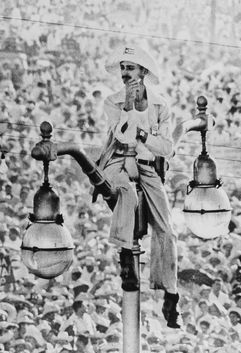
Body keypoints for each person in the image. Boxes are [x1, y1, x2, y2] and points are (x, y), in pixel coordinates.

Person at [98, 44, 180, 328]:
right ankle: (125, 255)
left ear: (143, 72)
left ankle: (169, 291)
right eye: (122, 68)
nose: (125, 74)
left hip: (146, 167)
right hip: (118, 163)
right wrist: (130, 109)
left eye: (130, 68)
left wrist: (143, 131)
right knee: (127, 195)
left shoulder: (160, 105)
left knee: (166, 229)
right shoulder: (112, 101)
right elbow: (121, 137)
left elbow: (166, 147)